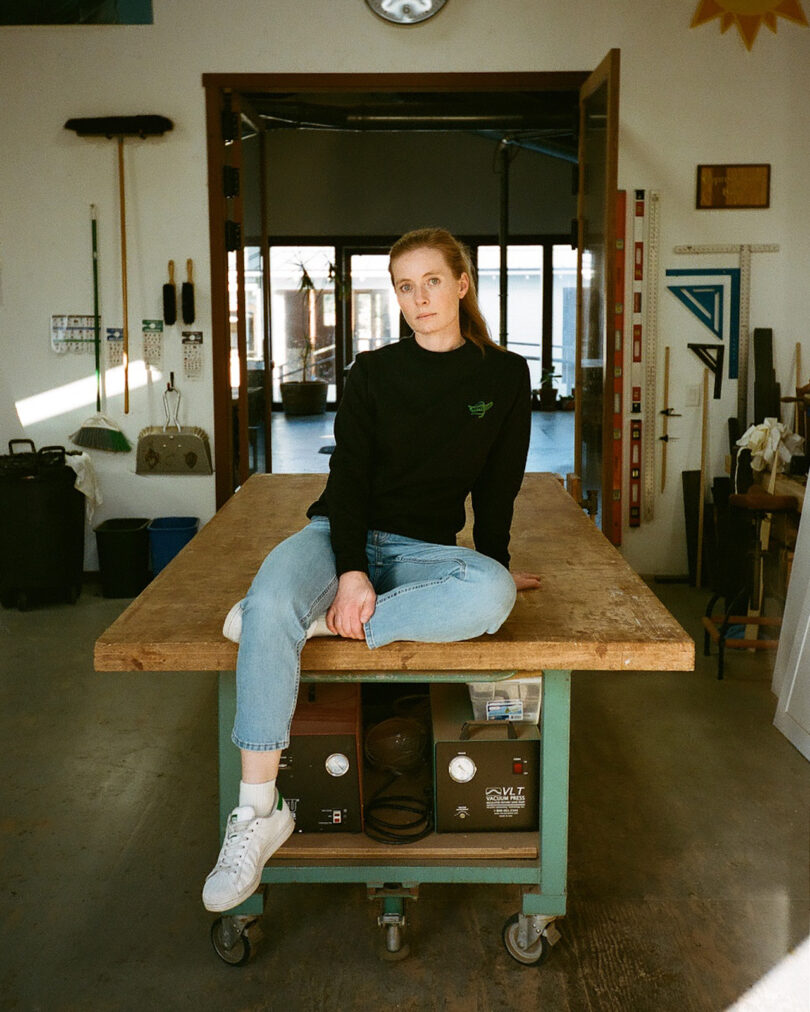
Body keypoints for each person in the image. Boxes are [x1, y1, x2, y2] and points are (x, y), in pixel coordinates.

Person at [202, 227, 540, 913]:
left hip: (422, 549)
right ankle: (256, 814)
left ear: (462, 283)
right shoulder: (373, 373)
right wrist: (352, 570)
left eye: (433, 282)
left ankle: (306, 627)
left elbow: (498, 488)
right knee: (268, 605)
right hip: (339, 532)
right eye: (405, 287)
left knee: (492, 596)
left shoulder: (503, 377)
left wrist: (493, 565)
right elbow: (348, 477)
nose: (420, 299)